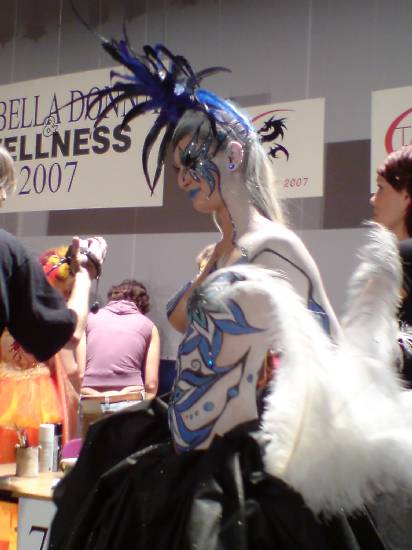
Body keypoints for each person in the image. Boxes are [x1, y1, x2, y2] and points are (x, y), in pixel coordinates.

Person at [49, 37, 412, 550]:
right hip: (181, 450)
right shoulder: (222, 251)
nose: (183, 178)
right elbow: (181, 318)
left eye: (192, 161)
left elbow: (329, 347)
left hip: (237, 469)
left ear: (234, 154)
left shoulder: (274, 246)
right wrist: (216, 257)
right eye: (177, 168)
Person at [0, 145, 107, 459]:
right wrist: (86, 272)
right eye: (3, 185)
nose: (5, 196)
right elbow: (68, 334)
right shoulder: (8, 253)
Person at [79, 279, 160, 437]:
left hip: (90, 401)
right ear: (143, 304)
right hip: (130, 402)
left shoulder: (88, 319)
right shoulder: (149, 326)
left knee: (89, 451)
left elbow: (80, 373)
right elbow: (151, 384)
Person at [371, 144, 412, 386]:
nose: (373, 199)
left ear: (406, 196)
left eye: (381, 188)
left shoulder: (399, 257)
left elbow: (360, 338)